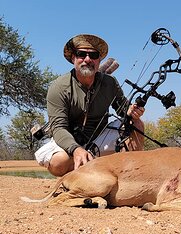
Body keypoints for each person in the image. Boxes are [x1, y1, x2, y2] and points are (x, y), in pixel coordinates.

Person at [35, 34, 145, 177]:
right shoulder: (58, 87)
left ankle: (129, 179)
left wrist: (132, 111)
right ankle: (75, 179)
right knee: (58, 163)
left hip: (100, 140)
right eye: (81, 54)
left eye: (93, 55)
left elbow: (123, 111)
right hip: (69, 142)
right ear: (73, 58)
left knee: (136, 125)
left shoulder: (110, 83)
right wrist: (76, 149)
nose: (88, 59)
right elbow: (59, 128)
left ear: (99, 60)